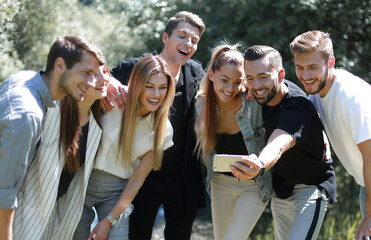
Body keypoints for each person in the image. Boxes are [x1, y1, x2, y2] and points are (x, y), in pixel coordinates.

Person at [110, 11, 206, 239]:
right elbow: (102, 77)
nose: (188, 44)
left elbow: (222, 85)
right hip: (140, 177)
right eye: (182, 36)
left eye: (194, 40)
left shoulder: (196, 72)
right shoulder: (135, 68)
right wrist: (113, 86)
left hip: (183, 179)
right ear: (165, 38)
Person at [0, 35, 105, 240]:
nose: (91, 82)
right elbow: (3, 194)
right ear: (60, 65)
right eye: (85, 73)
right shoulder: (28, 116)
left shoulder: (24, 78)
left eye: (94, 74)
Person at [231, 45, 336, 240]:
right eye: (250, 78)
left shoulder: (297, 108)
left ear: (280, 75)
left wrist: (260, 164)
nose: (256, 85)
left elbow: (278, 144)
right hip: (281, 191)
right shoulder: (260, 95)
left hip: (310, 189)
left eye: (263, 77)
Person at [73, 55, 175, 240]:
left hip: (116, 193)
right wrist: (108, 82)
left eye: (162, 88)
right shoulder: (115, 97)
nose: (156, 94)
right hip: (82, 183)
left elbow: (137, 179)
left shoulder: (164, 129)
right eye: (149, 86)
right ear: (137, 84)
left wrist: (109, 220)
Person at [290, 30, 371, 240]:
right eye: (300, 67)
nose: (305, 75)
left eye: (313, 67)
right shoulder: (316, 94)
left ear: (331, 62)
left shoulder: (349, 95)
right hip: (366, 185)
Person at [194, 43, 272, 240]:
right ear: (211, 75)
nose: (230, 88)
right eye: (225, 80)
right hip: (220, 183)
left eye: (238, 81)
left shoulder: (253, 103)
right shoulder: (201, 105)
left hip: (254, 185)